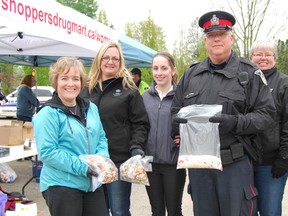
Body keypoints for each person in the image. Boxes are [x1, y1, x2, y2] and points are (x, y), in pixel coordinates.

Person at [171, 11, 276, 216]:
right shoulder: (191, 74)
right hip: (199, 166)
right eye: (211, 35)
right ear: (205, 40)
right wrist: (178, 128)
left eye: (221, 33)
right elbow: (175, 110)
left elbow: (267, 115)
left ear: (231, 37)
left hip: (233, 164)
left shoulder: (249, 73)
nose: (216, 38)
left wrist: (235, 122)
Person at [32, 56, 109, 216]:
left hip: (92, 184)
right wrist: (84, 168)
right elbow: (48, 152)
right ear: (56, 82)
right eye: (64, 78)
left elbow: (101, 138)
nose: (70, 84)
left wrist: (101, 160)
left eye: (76, 78)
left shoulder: (91, 108)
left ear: (81, 82)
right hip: (61, 184)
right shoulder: (48, 114)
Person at [80, 41, 150, 216]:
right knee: (96, 210)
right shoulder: (85, 90)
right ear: (99, 60)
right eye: (106, 58)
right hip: (91, 160)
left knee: (119, 210)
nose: (110, 62)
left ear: (120, 63)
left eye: (115, 59)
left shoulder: (129, 90)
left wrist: (136, 147)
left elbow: (141, 123)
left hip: (118, 159)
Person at [142, 52, 186, 215]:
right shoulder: (144, 98)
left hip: (173, 163)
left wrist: (185, 137)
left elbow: (188, 125)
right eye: (155, 68)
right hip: (151, 164)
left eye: (164, 68)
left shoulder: (181, 98)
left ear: (173, 70)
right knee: (157, 210)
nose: (159, 73)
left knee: (174, 210)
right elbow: (139, 127)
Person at [250, 40, 288, 216]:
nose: (263, 58)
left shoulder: (284, 84)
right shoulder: (243, 81)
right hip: (244, 162)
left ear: (275, 58)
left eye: (268, 54)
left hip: (271, 163)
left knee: (269, 211)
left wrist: (284, 156)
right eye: (258, 54)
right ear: (251, 58)